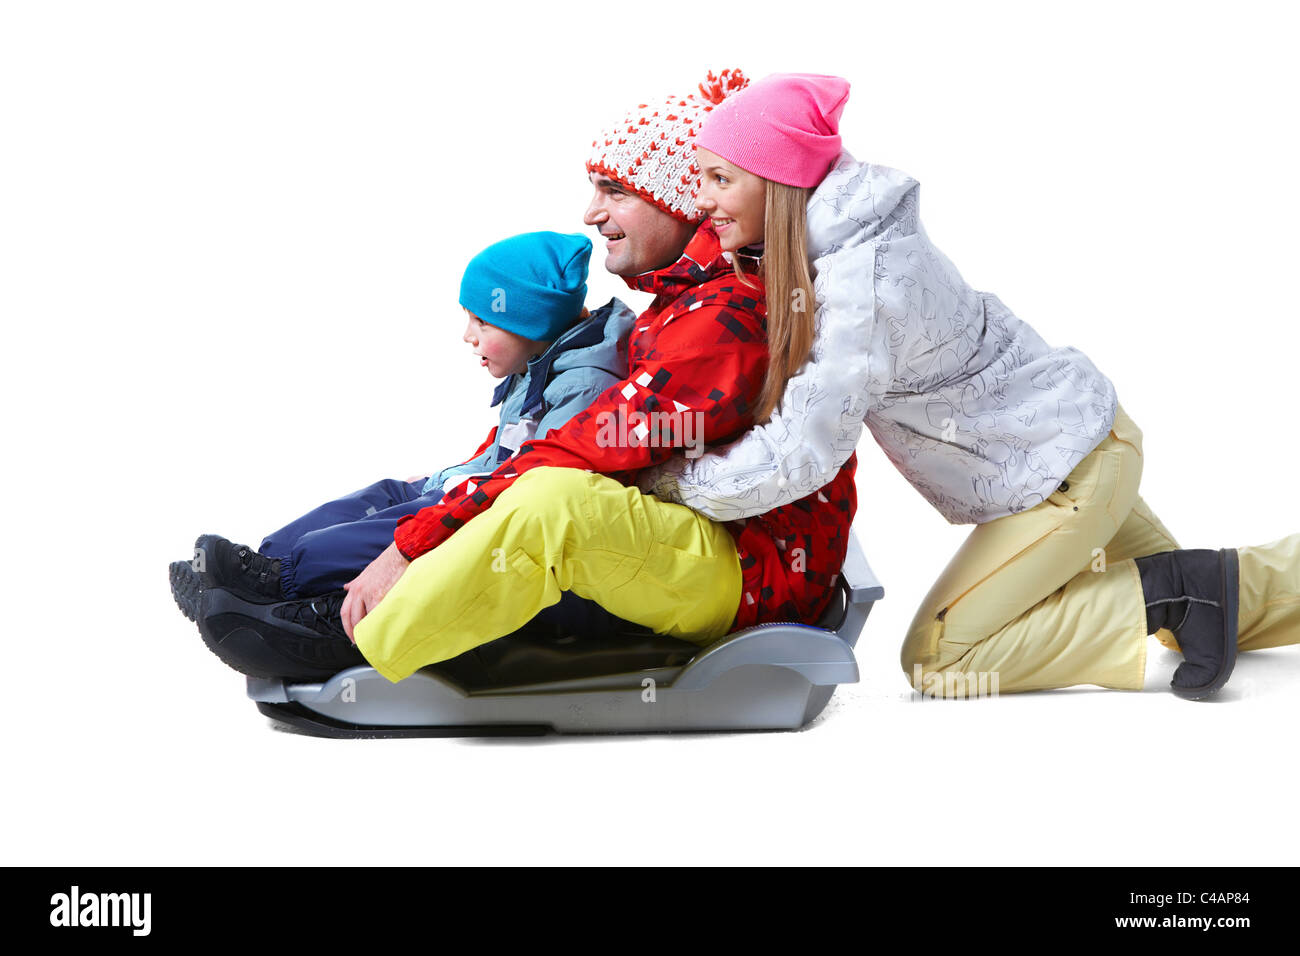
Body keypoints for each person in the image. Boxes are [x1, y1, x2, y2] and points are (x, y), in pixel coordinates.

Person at [180, 68, 861, 686]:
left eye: (615, 190)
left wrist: (415, 544)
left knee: (552, 502)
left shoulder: (726, 314)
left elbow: (586, 447)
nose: (591, 213)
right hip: (721, 548)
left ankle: (355, 636)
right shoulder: (686, 302)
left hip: (749, 576)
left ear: (679, 199)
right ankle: (306, 589)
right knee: (517, 488)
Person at [638, 72, 1300, 699]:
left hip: (1058, 478)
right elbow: (729, 222)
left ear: (775, 184)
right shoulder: (832, 226)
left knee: (940, 657)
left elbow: (802, 453)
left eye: (718, 179)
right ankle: (1189, 591)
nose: (701, 199)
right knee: (1222, 601)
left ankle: (1175, 591)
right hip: (1079, 440)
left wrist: (664, 481)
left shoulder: (856, 287)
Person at [171, 230, 640, 675]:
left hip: (497, 511)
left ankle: (286, 593)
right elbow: (507, 448)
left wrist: (451, 491)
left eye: (482, 320)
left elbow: (539, 477)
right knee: (387, 492)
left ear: (531, 320)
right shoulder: (544, 356)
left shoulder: (585, 383)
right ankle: (264, 569)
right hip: (477, 485)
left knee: (383, 529)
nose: (468, 335)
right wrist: (449, 475)